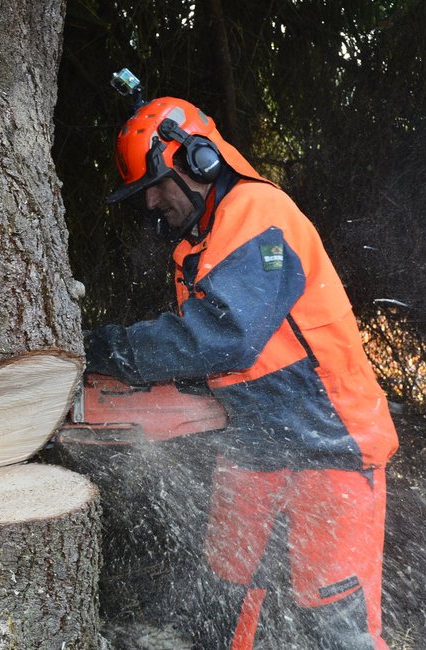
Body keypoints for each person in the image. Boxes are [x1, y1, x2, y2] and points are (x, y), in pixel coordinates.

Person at [85, 95, 399, 649]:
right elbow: (207, 356)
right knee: (225, 592)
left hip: (329, 442)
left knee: (333, 622)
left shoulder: (257, 213)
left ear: (197, 159)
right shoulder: (197, 242)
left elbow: (222, 336)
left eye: (155, 183)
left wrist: (110, 349)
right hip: (257, 440)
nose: (152, 201)